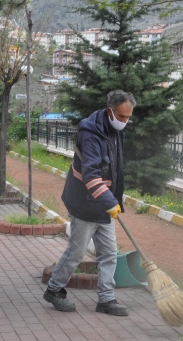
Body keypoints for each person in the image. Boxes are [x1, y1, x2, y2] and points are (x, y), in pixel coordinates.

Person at [43, 90, 135, 316]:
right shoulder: (91, 134)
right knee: (77, 251)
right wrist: (109, 200)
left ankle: (106, 298)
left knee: (108, 253)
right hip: (85, 202)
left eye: (128, 117)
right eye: (122, 116)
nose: (125, 121)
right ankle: (54, 290)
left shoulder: (114, 131)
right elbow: (91, 175)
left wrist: (112, 200)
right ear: (109, 111)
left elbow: (114, 169)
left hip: (104, 202)